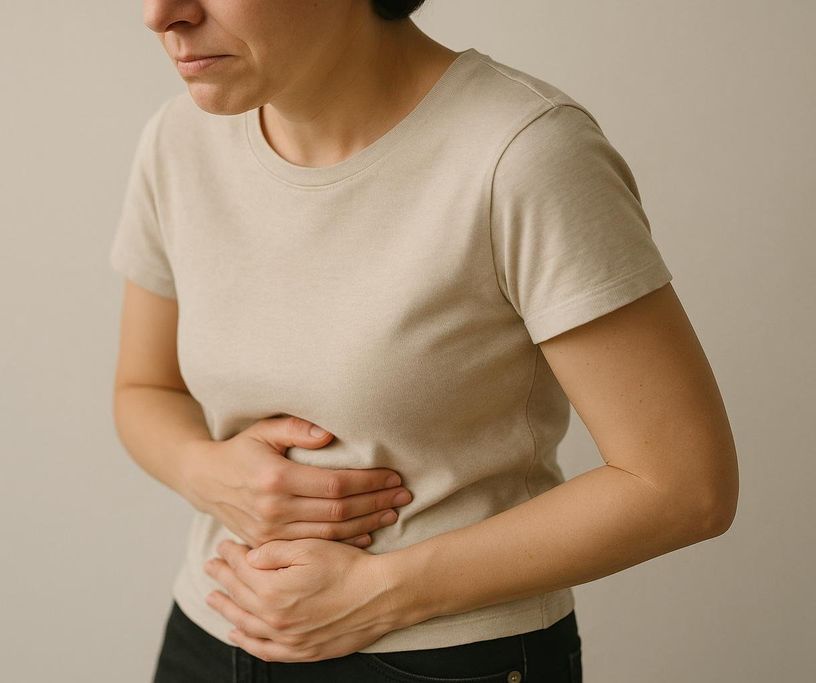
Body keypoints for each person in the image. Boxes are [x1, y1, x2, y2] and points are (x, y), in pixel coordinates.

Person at [109, 1, 739, 681]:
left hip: (446, 662)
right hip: (212, 635)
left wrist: (379, 594)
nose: (160, 14)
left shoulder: (520, 153)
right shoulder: (178, 140)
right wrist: (204, 471)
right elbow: (144, 388)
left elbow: (682, 485)